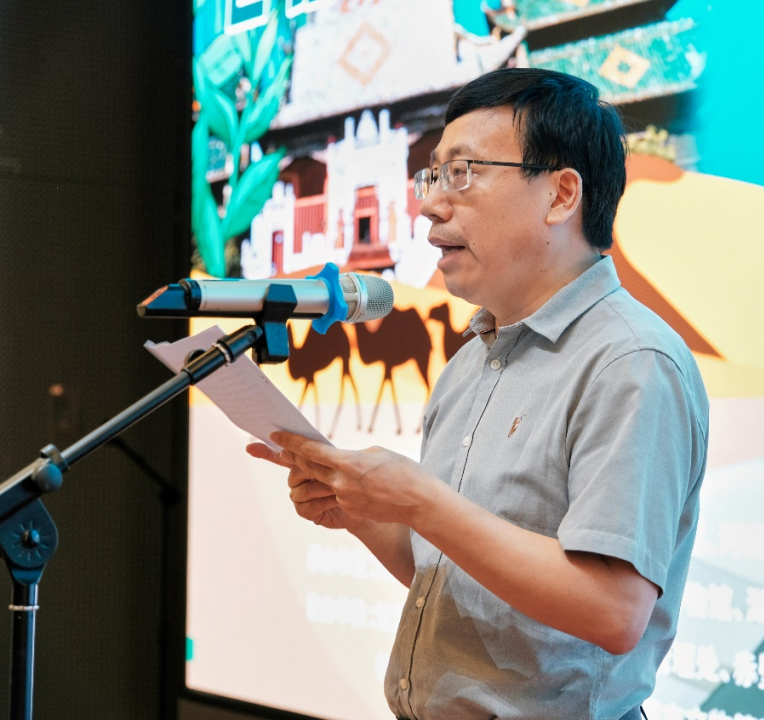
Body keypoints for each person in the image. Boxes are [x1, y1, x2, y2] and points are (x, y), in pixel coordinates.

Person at [248, 68, 709, 720]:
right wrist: (360, 509)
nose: (431, 205)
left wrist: (420, 500)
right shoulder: (473, 358)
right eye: (432, 176)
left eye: (462, 174)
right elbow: (458, 573)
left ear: (561, 194)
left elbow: (612, 611)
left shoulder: (630, 361)